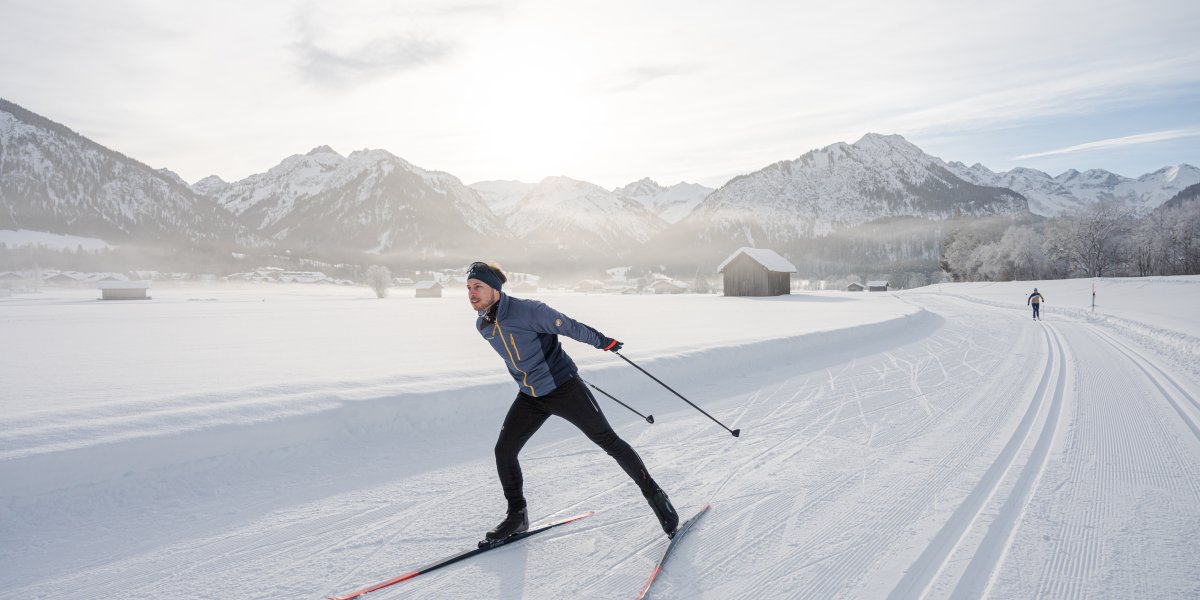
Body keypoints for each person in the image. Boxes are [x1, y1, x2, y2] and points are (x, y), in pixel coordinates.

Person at [466, 261, 679, 541]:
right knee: (504, 451)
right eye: (468, 288)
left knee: (609, 441)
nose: (472, 293)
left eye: (478, 286)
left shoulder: (529, 310)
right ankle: (517, 516)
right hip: (530, 396)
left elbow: (568, 326)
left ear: (495, 288)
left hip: (564, 388)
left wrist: (602, 341)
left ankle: (657, 497)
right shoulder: (483, 324)